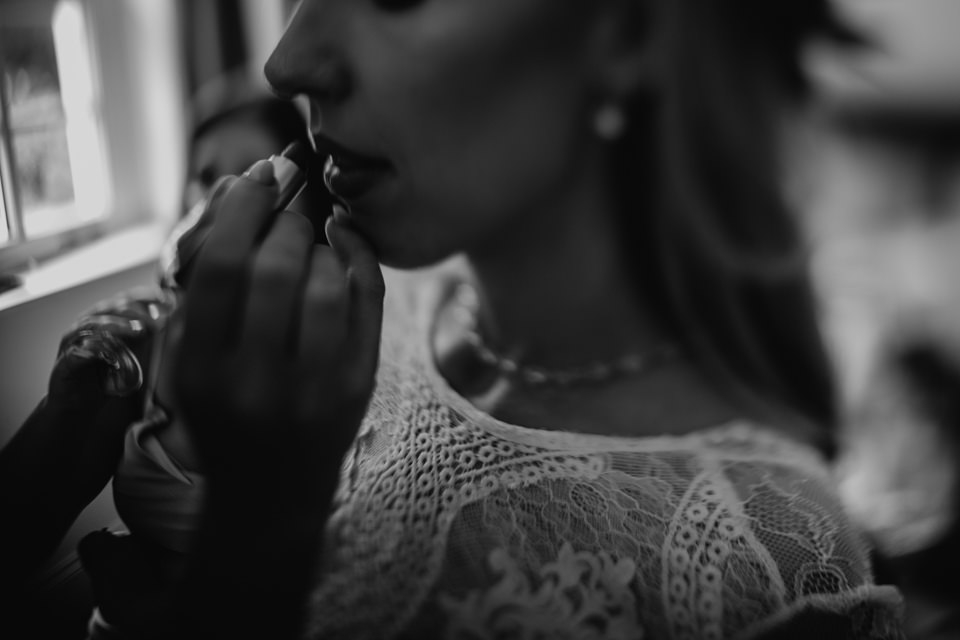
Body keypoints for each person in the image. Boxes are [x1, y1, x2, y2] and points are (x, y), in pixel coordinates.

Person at [7, 0, 915, 638]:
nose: (287, 61)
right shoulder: (340, 326)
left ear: (625, 31)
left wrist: (262, 533)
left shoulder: (760, 559)